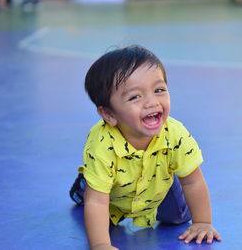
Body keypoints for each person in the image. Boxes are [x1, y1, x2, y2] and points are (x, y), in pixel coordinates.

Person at [69, 45, 222, 249]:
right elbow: (97, 202)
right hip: (112, 193)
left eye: (159, 90)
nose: (152, 102)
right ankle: (84, 185)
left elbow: (192, 181)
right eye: (135, 97)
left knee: (179, 218)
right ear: (109, 114)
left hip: (157, 184)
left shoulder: (175, 133)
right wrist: (101, 245)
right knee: (97, 213)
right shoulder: (101, 144)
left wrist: (203, 222)